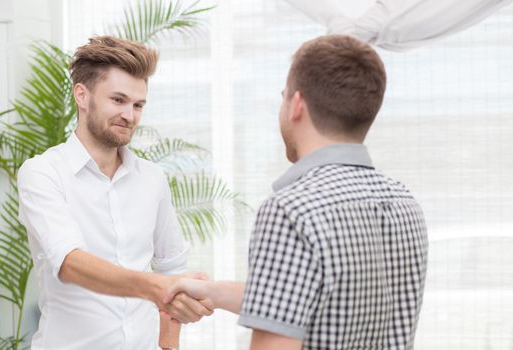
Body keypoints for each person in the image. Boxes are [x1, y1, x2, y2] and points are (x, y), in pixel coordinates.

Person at [165, 35, 429, 350]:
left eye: (283, 96)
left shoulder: (292, 211)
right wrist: (217, 292)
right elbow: (330, 299)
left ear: (297, 105)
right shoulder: (403, 203)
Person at [17, 36, 211, 350]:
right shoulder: (42, 173)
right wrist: (157, 287)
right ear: (82, 95)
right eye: (118, 100)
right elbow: (70, 263)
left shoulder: (153, 178)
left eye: (138, 105)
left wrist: (169, 345)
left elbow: (172, 267)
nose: (130, 115)